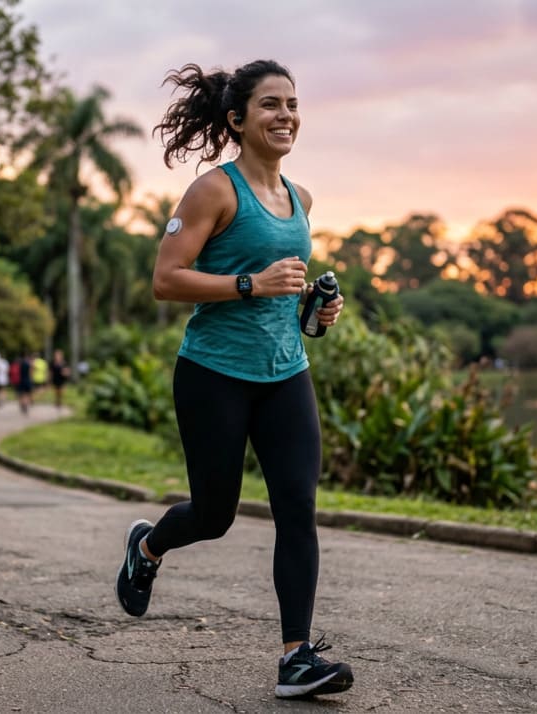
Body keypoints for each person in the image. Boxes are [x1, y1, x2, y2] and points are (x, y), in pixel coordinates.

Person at [114, 60, 349, 700]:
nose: (286, 115)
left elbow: (285, 298)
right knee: (214, 515)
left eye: (293, 104)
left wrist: (317, 311)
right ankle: (148, 546)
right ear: (238, 120)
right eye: (270, 105)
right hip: (213, 374)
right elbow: (166, 279)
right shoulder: (213, 192)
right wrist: (250, 283)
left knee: (297, 508)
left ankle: (295, 658)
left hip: (285, 374)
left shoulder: (301, 200)